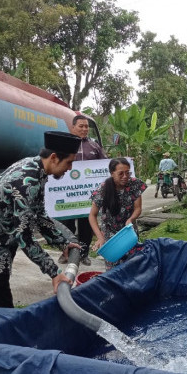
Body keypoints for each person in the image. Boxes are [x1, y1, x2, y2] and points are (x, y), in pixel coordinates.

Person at [0, 131, 82, 312]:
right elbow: (25, 236)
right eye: (69, 162)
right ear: (54, 157)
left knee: (0, 306)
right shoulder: (25, 182)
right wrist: (54, 273)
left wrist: (62, 242)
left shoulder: (36, 170)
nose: (70, 168)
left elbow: (39, 214)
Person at [58, 114, 108, 266]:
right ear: (72, 127)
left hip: (88, 196)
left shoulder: (94, 146)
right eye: (81, 126)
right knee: (66, 224)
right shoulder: (63, 144)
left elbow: (105, 165)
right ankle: (66, 253)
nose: (85, 129)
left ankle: (83, 254)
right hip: (67, 194)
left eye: (86, 126)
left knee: (86, 225)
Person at [90, 158, 147, 270]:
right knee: (113, 268)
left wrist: (131, 219)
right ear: (112, 173)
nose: (125, 176)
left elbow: (138, 208)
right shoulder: (103, 189)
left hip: (128, 231)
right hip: (110, 234)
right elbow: (92, 215)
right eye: (121, 173)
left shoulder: (135, 184)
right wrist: (100, 237)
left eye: (127, 172)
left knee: (132, 265)